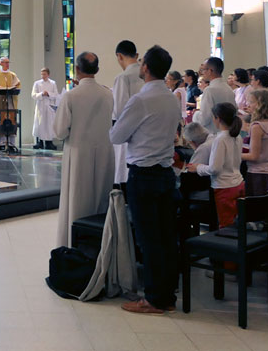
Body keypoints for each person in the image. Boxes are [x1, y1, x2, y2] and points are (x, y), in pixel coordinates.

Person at [110, 45, 180, 315]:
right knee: (165, 237)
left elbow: (116, 136)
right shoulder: (171, 98)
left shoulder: (141, 99)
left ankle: (152, 299)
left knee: (149, 239)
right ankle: (167, 296)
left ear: (146, 68)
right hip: (164, 173)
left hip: (144, 174)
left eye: (142, 63)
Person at [53, 52, 114, 247]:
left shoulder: (71, 95)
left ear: (77, 69)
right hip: (105, 153)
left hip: (78, 153)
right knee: (100, 199)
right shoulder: (108, 94)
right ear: (97, 69)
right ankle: (100, 248)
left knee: (77, 201)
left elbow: (60, 131)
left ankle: (75, 248)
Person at [186, 103, 244, 227]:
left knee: (226, 225)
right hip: (238, 183)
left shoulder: (220, 139)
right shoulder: (237, 136)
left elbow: (214, 169)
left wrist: (197, 167)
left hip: (224, 187)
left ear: (217, 118)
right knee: (236, 224)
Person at [111, 40, 144, 187]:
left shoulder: (123, 77)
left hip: (128, 133)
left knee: (124, 175)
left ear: (119, 56)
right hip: (146, 132)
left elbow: (119, 110)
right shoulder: (146, 74)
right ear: (136, 55)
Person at [0, 57, 21, 153]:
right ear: (0, 63)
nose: (7, 64)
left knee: (10, 119)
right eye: (5, 62)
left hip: (9, 101)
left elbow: (17, 85)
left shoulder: (12, 75)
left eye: (8, 62)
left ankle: (9, 143)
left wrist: (13, 88)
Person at [194, 56, 235, 134]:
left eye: (203, 70)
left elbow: (204, 119)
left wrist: (196, 115)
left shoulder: (209, 90)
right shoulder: (228, 88)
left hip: (213, 133)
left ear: (210, 71)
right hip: (228, 131)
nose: (202, 73)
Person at [32, 68, 59, 150]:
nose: (43, 76)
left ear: (48, 74)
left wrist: (49, 94)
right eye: (42, 74)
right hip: (41, 105)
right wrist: (41, 94)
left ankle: (49, 142)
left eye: (44, 74)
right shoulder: (37, 83)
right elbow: (33, 94)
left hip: (49, 105)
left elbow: (56, 94)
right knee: (40, 123)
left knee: (49, 124)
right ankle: (40, 142)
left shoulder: (53, 83)